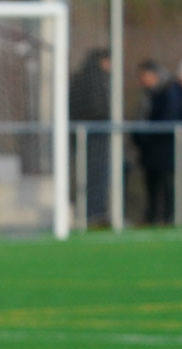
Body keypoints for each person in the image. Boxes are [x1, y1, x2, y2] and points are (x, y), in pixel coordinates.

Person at [132, 60, 182, 226]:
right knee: (152, 185)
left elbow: (168, 117)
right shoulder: (150, 93)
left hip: (165, 148)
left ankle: (169, 217)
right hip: (151, 149)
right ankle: (152, 217)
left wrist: (147, 137)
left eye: (145, 75)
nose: (142, 79)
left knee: (167, 184)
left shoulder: (169, 92)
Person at [69, 49, 111, 228]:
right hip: (94, 136)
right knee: (95, 175)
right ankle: (93, 214)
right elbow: (96, 108)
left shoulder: (81, 78)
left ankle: (90, 212)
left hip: (82, 136)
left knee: (87, 175)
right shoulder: (95, 80)